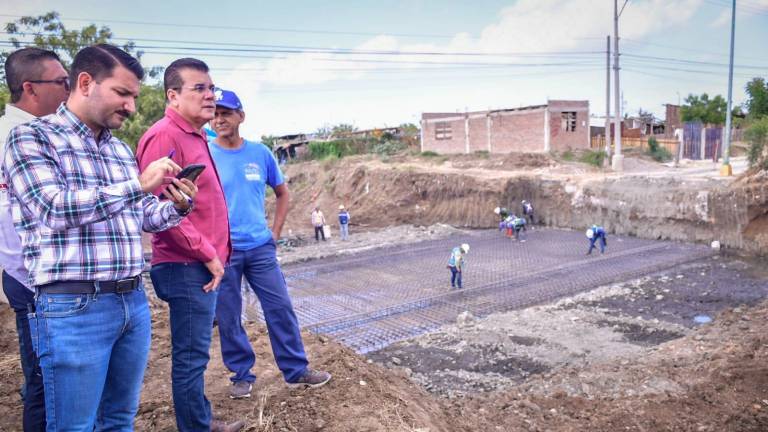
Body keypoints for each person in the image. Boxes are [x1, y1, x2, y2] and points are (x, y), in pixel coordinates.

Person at [3, 44, 197, 431]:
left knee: (120, 420)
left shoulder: (119, 151)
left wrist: (176, 206)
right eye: (122, 94)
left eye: (135, 97)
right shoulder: (31, 138)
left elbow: (142, 216)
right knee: (74, 426)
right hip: (73, 307)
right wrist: (138, 185)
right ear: (86, 83)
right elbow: (53, 209)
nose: (130, 106)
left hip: (132, 302)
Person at [136, 58, 242, 432]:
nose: (210, 95)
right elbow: (160, 211)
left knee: (195, 353)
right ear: (173, 95)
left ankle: (199, 421)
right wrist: (209, 254)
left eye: (211, 88)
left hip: (197, 262)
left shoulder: (196, 135)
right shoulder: (165, 136)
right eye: (199, 88)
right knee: (191, 356)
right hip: (186, 264)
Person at [209, 88, 331, 400]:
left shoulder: (260, 153)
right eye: (216, 113)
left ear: (241, 116)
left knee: (280, 307)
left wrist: (274, 233)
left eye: (226, 113)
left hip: (260, 247)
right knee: (228, 314)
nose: (220, 119)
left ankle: (296, 369)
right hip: (223, 251)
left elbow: (282, 192)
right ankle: (241, 375)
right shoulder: (206, 153)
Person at [0, 46, 69, 432]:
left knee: (58, 376)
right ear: (30, 87)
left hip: (41, 274)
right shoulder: (11, 138)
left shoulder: (52, 133)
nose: (68, 89)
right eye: (61, 81)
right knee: (43, 381)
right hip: (30, 277)